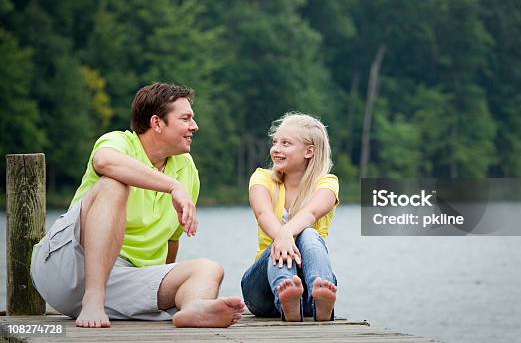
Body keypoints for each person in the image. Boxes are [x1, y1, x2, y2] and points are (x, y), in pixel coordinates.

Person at [30, 82, 244, 328]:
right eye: (185, 119)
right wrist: (172, 186)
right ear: (157, 123)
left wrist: (164, 281)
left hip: (122, 283)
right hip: (66, 266)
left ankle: (193, 307)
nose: (194, 126)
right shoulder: (119, 142)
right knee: (114, 184)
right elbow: (105, 162)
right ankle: (93, 298)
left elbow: (171, 243)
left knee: (208, 268)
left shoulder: (187, 170)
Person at [241, 112, 339, 322]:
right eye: (275, 142)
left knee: (309, 234)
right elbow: (263, 213)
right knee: (280, 243)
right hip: (262, 292)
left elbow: (311, 212)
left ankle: (318, 297)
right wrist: (281, 236)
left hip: (308, 291)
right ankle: (286, 293)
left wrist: (285, 232)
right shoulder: (262, 178)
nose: (276, 148)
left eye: (286, 143)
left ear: (309, 151)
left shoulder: (327, 183)